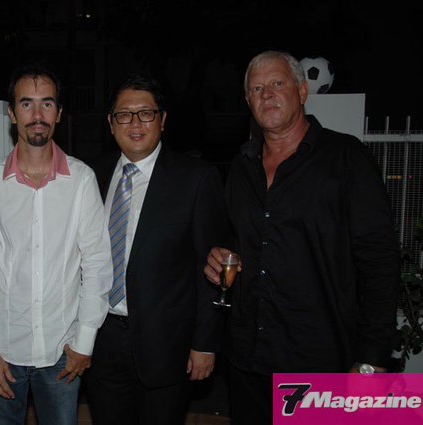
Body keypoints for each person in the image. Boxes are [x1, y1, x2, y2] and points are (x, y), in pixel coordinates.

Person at [204, 50, 400, 424]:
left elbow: (379, 261)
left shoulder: (346, 158)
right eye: (256, 88)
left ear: (303, 91)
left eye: (277, 83)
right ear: (247, 101)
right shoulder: (242, 166)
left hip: (319, 363)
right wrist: (219, 255)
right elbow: (237, 238)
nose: (266, 94)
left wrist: (372, 359)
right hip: (248, 360)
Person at [0, 64, 112, 425]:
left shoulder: (81, 180)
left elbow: (97, 265)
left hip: (63, 352)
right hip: (1, 352)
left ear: (59, 113)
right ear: (12, 114)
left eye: (47, 104)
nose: (37, 115)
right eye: (27, 104)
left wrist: (84, 342)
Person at [85, 74, 230, 425]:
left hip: (167, 345)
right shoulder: (90, 176)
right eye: (124, 114)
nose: (135, 123)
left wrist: (205, 342)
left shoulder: (196, 178)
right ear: (110, 123)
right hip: (101, 340)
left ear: (162, 120)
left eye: (146, 113)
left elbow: (212, 268)